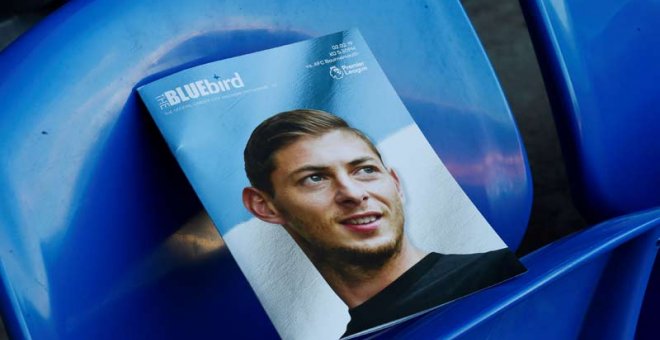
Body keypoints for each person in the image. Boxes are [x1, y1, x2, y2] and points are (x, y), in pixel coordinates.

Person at [242, 109, 525, 337]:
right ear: (264, 206)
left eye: (365, 170)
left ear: (395, 183)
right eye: (315, 178)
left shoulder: (494, 273)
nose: (353, 194)